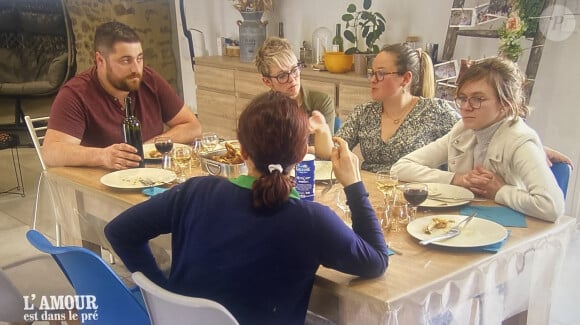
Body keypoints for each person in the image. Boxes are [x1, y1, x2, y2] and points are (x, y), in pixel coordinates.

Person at [104, 92, 389, 324]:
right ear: (303, 154)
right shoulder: (312, 220)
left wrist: (160, 293)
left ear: (242, 151)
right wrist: (354, 185)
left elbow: (119, 231)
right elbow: (376, 261)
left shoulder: (195, 191)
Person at [391, 57, 565, 221]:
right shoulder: (463, 129)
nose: (466, 107)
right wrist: (457, 179)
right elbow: (399, 168)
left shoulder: (519, 141)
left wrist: (500, 191)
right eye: (463, 98)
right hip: (466, 221)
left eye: (477, 99)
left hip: (512, 230)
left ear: (505, 104)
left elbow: (552, 207)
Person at [43, 21, 202, 170]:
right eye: (126, 60)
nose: (136, 69)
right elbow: (51, 152)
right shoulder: (75, 94)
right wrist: (103, 156)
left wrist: (148, 146)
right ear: (100, 60)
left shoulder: (149, 79)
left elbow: (193, 126)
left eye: (139, 58)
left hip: (154, 178)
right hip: (100, 188)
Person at [313, 43, 460, 172]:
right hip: (369, 192)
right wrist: (322, 130)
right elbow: (334, 153)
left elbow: (469, 137)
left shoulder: (435, 111)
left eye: (381, 73)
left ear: (406, 78)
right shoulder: (364, 113)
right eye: (372, 73)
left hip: (413, 196)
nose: (372, 80)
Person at [255, 36, 336, 148]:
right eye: (282, 76)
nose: (292, 79)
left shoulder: (321, 102)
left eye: (294, 70)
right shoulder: (262, 110)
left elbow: (327, 155)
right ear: (267, 81)